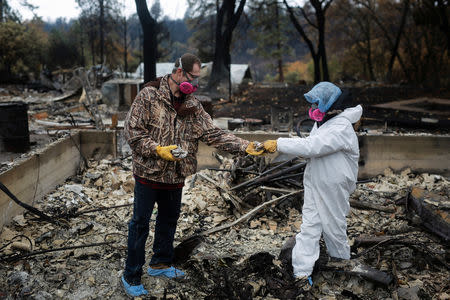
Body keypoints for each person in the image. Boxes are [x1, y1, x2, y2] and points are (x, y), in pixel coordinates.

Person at [121, 53, 263, 297]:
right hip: (149, 174)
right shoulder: (149, 96)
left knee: (168, 221)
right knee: (140, 224)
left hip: (176, 176)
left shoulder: (192, 105)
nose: (194, 84)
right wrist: (157, 150)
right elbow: (133, 133)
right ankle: (131, 275)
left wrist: (244, 146)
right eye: (192, 78)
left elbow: (214, 134)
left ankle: (160, 264)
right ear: (178, 72)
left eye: (197, 79)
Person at [262, 82, 363, 284]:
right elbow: (310, 147)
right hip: (317, 183)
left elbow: (312, 147)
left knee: (334, 228)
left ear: (330, 103)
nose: (314, 107)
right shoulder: (325, 123)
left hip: (333, 186)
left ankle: (341, 270)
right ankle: (301, 273)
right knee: (309, 227)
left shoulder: (341, 126)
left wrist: (279, 144)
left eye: (318, 102)